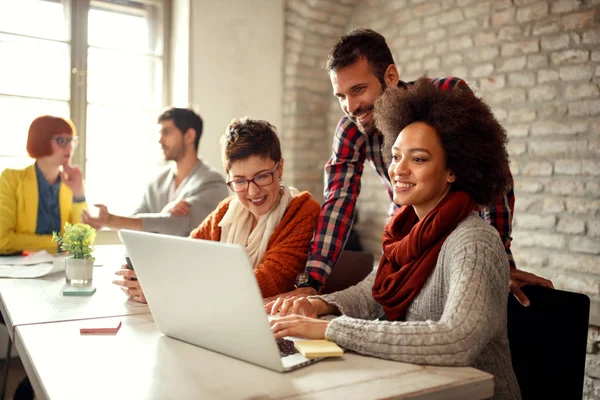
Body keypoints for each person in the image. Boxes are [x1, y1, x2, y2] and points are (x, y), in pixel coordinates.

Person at [270, 78, 522, 399]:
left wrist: (330, 328)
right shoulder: (405, 230)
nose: (398, 170)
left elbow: (456, 339)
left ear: (452, 170)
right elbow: (373, 294)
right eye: (396, 156)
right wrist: (318, 305)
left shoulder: (474, 241)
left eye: (418, 159)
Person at [273, 28, 552, 307]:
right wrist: (310, 282)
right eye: (341, 96)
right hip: (407, 234)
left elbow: (493, 177)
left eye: (358, 90)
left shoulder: (448, 95)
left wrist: (500, 261)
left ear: (390, 77)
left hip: (467, 233)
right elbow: (338, 203)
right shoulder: (351, 129)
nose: (350, 106)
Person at [114, 117, 320, 301]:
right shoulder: (227, 210)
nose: (253, 191)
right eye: (239, 181)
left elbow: (264, 283)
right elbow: (186, 256)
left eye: (262, 176)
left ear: (280, 168)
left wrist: (162, 290)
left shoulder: (301, 212)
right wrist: (148, 276)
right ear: (229, 178)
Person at [82, 107, 228, 237]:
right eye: (160, 133)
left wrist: (110, 220)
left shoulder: (213, 182)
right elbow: (130, 229)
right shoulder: (156, 181)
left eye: (167, 132)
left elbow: (179, 224)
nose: (160, 140)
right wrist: (165, 213)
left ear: (189, 136)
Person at [0, 115, 87, 254]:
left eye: (72, 141)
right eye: (61, 140)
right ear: (41, 141)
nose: (69, 147)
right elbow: (3, 240)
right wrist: (60, 243)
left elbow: (83, 241)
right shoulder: (11, 178)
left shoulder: (70, 184)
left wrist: (79, 193)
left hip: (59, 268)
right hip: (18, 268)